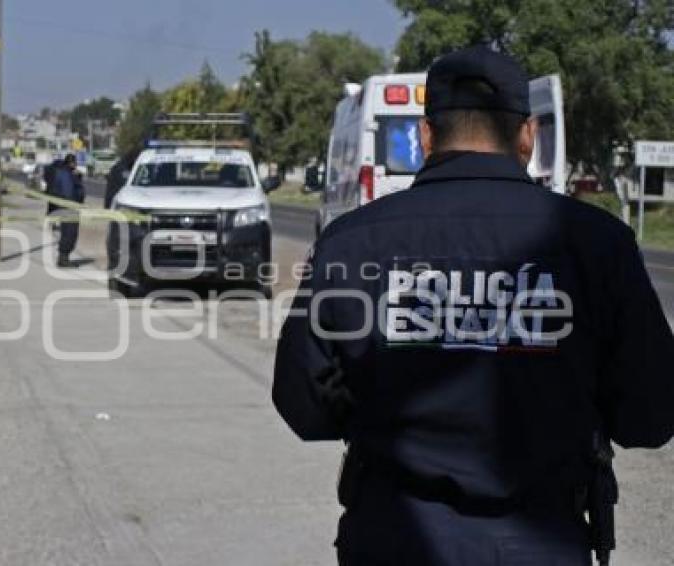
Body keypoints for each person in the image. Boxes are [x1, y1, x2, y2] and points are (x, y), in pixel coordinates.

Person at [273, 46, 674, 566]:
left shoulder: (352, 242)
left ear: (425, 137)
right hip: (542, 539)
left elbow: (303, 403)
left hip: (393, 534)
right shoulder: (600, 243)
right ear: (527, 136)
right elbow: (650, 416)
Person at [51, 153, 85, 268]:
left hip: (66, 207)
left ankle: (63, 258)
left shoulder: (65, 173)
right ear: (70, 163)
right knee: (70, 233)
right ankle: (63, 259)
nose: (75, 165)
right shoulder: (66, 175)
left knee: (67, 233)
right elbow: (69, 193)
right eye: (74, 162)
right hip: (70, 208)